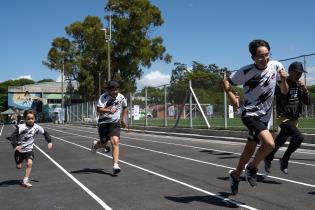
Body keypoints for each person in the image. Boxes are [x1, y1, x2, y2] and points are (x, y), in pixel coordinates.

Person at [223, 39, 289, 195]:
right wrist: (231, 95)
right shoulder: (245, 71)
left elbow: (284, 91)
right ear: (252, 57)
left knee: (248, 150)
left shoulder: (276, 66)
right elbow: (226, 81)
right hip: (250, 114)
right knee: (270, 144)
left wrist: (284, 80)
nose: (264, 59)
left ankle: (236, 175)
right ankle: (252, 168)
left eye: (267, 55)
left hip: (264, 117)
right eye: (260, 56)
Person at [264, 62, 311, 174]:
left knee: (280, 141)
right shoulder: (282, 83)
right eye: (297, 73)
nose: (299, 75)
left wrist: (304, 89)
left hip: (294, 119)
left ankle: (268, 158)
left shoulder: (300, 86)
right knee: (298, 138)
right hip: (283, 117)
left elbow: (307, 102)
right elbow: (270, 94)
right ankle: (284, 160)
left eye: (300, 73)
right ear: (290, 72)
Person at [91, 80, 128, 175]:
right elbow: (99, 109)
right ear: (109, 90)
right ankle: (95, 145)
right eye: (113, 90)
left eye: (117, 89)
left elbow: (125, 107)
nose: (115, 92)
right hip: (103, 123)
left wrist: (123, 119)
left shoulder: (121, 97)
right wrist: (108, 110)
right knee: (103, 144)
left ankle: (115, 165)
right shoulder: (103, 97)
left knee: (115, 141)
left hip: (115, 123)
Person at [9, 109, 52, 188]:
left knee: (30, 163)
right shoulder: (22, 127)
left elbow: (45, 133)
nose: (30, 120)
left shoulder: (37, 127)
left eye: (32, 118)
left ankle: (25, 180)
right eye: (28, 119)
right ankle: (18, 163)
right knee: (19, 167)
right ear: (25, 119)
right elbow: (13, 136)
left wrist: (49, 141)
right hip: (20, 150)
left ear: (35, 119)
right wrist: (15, 145)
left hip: (29, 150)